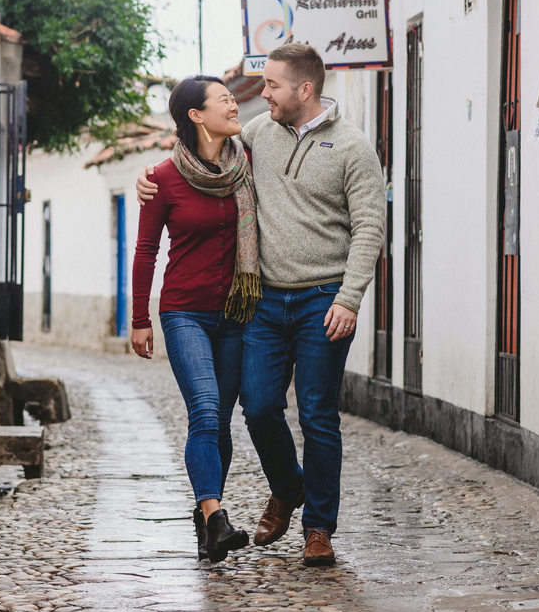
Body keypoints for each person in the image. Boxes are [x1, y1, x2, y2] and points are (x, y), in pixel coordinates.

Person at [139, 45, 386, 566]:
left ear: (304, 90)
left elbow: (370, 228)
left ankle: (317, 527)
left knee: (318, 414)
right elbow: (201, 153)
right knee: (258, 406)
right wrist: (150, 178)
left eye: (271, 86)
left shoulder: (353, 148)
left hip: (324, 299)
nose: (262, 95)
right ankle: (286, 486)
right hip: (264, 299)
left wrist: (350, 297)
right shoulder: (257, 136)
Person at [130, 75, 260, 564]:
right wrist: (139, 317)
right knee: (204, 408)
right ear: (196, 116)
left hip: (236, 311)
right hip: (184, 311)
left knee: (220, 423)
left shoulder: (246, 163)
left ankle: (208, 524)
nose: (233, 102)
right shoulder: (162, 178)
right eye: (223, 98)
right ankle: (216, 514)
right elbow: (146, 251)